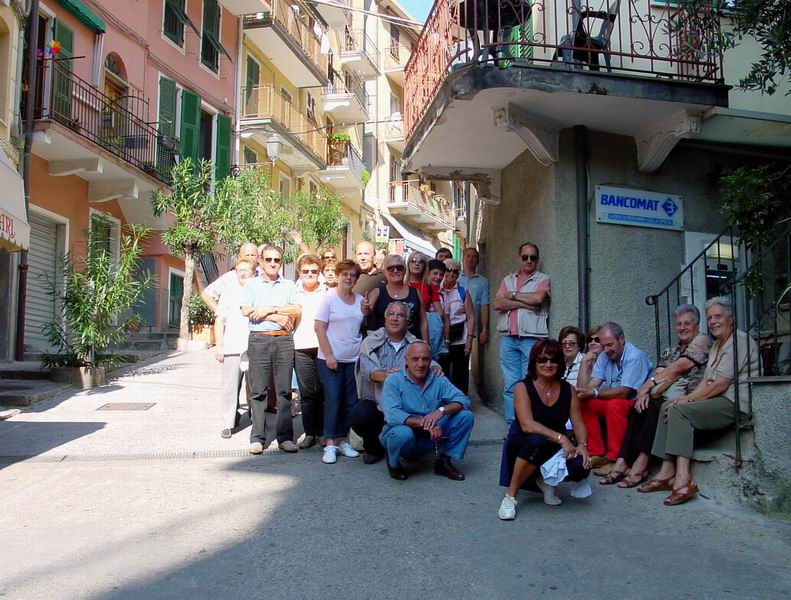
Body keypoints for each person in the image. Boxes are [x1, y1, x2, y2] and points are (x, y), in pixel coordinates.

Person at [642, 297, 759, 505]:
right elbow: (706, 381)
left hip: (734, 403)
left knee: (679, 410)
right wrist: (685, 399)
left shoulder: (739, 341)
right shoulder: (716, 345)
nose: (713, 321)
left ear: (731, 319)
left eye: (718, 316)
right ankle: (666, 470)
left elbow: (719, 385)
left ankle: (683, 478)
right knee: (670, 405)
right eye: (710, 317)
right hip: (717, 400)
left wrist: (686, 402)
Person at [600, 305, 712, 487]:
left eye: (687, 324)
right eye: (678, 324)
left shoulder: (703, 341)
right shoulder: (671, 351)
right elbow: (659, 373)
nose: (682, 328)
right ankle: (622, 461)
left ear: (697, 325)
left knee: (651, 406)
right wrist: (646, 392)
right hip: (667, 396)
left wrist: (650, 386)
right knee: (641, 405)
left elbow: (679, 367)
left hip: (691, 398)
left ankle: (640, 464)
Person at [498, 339, 591, 520]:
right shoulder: (522, 387)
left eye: (553, 360)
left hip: (552, 446)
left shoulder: (567, 390)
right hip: (524, 442)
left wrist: (582, 445)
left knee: (582, 464)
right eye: (542, 359)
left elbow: (578, 422)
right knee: (537, 442)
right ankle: (510, 497)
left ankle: (545, 480)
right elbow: (527, 424)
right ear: (534, 361)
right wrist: (561, 438)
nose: (548, 364)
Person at [351, 302, 442, 465]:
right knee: (360, 414)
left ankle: (406, 448)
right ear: (385, 319)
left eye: (400, 315)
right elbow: (369, 371)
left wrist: (435, 368)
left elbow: (430, 363)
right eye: (391, 314)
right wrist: (389, 376)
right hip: (377, 402)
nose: (395, 318)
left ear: (407, 321)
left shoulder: (415, 344)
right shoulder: (370, 342)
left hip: (405, 404)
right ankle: (375, 448)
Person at [380, 342, 475, 481]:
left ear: (431, 361)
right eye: (415, 359)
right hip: (405, 432)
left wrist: (441, 410)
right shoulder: (393, 380)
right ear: (406, 360)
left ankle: (444, 461)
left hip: (430, 435)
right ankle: (393, 462)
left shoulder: (438, 380)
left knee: (465, 416)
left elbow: (464, 400)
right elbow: (392, 415)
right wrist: (427, 423)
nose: (420, 364)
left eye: (425, 359)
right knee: (402, 433)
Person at [240, 245, 302, 455]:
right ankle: (258, 437)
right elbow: (247, 310)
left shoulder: (288, 285)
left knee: (284, 390)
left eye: (277, 260)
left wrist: (269, 309)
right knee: (258, 390)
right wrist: (276, 317)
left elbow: (295, 309)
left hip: (283, 340)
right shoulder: (251, 284)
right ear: (260, 261)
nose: (273, 263)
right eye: (269, 260)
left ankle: (285, 437)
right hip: (259, 339)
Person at [576, 322, 653, 473]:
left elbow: (625, 392)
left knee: (614, 405)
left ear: (622, 339)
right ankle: (596, 452)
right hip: (617, 403)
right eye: (603, 345)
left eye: (609, 344)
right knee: (585, 403)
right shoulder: (605, 355)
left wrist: (594, 393)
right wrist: (583, 392)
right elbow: (593, 384)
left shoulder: (635, 356)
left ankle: (616, 458)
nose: (606, 350)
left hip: (639, 404)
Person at [493, 242, 551, 424]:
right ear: (519, 258)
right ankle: (513, 425)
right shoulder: (507, 280)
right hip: (508, 338)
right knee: (511, 384)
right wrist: (526, 303)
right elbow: (498, 304)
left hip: (531, 338)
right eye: (525, 257)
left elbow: (538, 298)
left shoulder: (543, 279)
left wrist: (513, 296)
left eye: (533, 257)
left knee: (531, 383)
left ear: (537, 260)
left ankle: (529, 423)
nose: (529, 261)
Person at [314, 259, 365, 464]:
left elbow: (362, 328)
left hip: (353, 359)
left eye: (352, 275)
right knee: (333, 399)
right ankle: (329, 444)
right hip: (331, 360)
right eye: (345, 274)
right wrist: (329, 355)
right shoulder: (329, 299)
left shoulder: (361, 300)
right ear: (338, 276)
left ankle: (342, 440)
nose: (349, 278)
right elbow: (318, 327)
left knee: (350, 402)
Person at [213, 257, 256, 439]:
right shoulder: (229, 292)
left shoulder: (257, 291)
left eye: (247, 269)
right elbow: (219, 320)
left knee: (255, 387)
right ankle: (228, 422)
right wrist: (219, 346)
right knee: (230, 388)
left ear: (254, 272)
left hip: (254, 347)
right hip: (232, 347)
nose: (244, 272)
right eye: (240, 270)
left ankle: (256, 419)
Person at [293, 254, 327, 450]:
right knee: (306, 393)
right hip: (301, 346)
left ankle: (322, 432)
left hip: (322, 347)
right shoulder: (293, 292)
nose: (309, 274)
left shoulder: (327, 293)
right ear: (300, 272)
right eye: (305, 271)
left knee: (322, 391)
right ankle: (310, 433)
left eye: (314, 271)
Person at [363, 254, 428, 341]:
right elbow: (366, 313)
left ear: (404, 271)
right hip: (384, 345)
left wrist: (425, 344)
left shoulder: (416, 292)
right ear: (385, 273)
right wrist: (365, 307)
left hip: (412, 346)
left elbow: (423, 322)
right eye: (390, 268)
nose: (395, 270)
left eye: (399, 268)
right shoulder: (377, 292)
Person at [439, 258, 475, 394]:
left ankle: (462, 403)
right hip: (441, 338)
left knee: (461, 373)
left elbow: (471, 317)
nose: (451, 273)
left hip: (460, 337)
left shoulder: (463, 292)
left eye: (455, 271)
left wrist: (470, 339)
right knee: (443, 371)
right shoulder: (436, 290)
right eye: (448, 270)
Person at [406, 252, 450, 348]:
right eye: (413, 261)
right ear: (408, 264)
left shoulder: (430, 287)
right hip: (405, 330)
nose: (416, 264)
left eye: (420, 262)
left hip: (424, 330)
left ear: (424, 266)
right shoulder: (402, 285)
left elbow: (440, 314)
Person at [201, 242, 259, 313]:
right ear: (240, 257)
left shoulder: (262, 277)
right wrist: (220, 313)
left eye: (253, 255)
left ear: (258, 258)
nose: (250, 258)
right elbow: (206, 294)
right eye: (247, 255)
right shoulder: (229, 277)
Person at [459, 247, 490, 347]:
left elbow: (484, 306)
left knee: (464, 358)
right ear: (462, 259)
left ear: (478, 262)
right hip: (453, 324)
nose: (471, 259)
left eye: (474, 257)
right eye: (468, 256)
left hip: (470, 328)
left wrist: (484, 329)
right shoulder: (455, 277)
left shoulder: (483, 282)